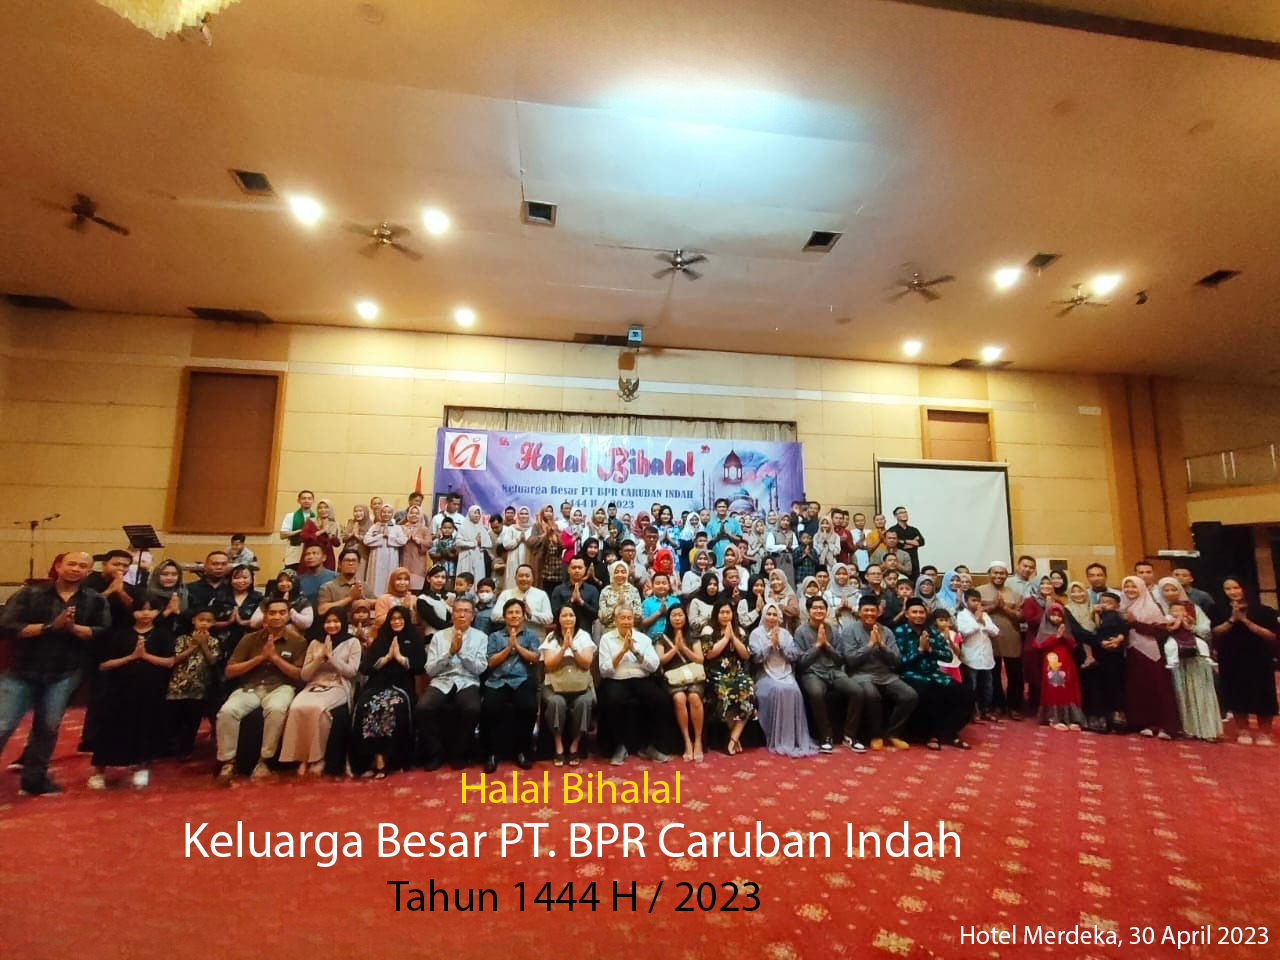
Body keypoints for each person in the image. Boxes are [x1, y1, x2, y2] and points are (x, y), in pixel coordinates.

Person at [0, 552, 110, 795]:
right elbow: (6, 627)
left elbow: (100, 631)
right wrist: (51, 627)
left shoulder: (95, 600)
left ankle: (34, 781)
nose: (76, 568)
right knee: (3, 725)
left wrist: (72, 627)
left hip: (64, 673)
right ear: (58, 566)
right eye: (72, 563)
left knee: (47, 729)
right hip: (21, 671)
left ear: (89, 571)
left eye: (83, 566)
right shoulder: (29, 594)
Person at [215, 598, 307, 783]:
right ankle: (228, 761)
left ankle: (264, 760)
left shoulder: (298, 641)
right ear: (265, 617)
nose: (277, 617)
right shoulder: (249, 639)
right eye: (272, 613)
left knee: (276, 710)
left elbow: (299, 675)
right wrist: (259, 658)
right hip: (250, 687)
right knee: (227, 712)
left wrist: (275, 658)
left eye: (282, 612)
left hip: (280, 687)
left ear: (288, 616)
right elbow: (230, 671)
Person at [87, 597, 176, 790]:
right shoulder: (119, 635)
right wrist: (132, 657)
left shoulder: (163, 635)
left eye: (151, 610)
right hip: (118, 690)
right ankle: (99, 771)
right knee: (109, 729)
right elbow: (104, 665)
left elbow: (169, 662)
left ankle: (141, 766)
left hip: (150, 689)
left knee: (145, 727)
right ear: (133, 612)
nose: (146, 614)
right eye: (141, 609)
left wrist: (145, 656)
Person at [278, 609, 362, 775]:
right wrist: (319, 658)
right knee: (296, 707)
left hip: (339, 685)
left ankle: (318, 758)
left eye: (336, 621)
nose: (332, 625)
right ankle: (301, 758)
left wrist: (331, 658)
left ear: (343, 622)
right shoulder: (315, 643)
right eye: (328, 622)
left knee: (318, 709)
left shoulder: (352, 642)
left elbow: (351, 672)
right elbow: (305, 675)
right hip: (314, 684)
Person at [352, 606, 424, 777]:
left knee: (389, 707)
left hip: (401, 687)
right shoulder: (381, 639)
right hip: (377, 685)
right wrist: (385, 659)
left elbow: (420, 666)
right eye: (393, 619)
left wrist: (400, 658)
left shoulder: (413, 639)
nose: (396, 622)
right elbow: (365, 667)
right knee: (367, 705)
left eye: (400, 618)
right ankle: (371, 757)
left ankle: (386, 758)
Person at [418, 597, 487, 770]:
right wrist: (449, 652)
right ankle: (436, 752)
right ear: (452, 614)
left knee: (472, 709)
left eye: (466, 611)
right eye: (458, 611)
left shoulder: (481, 637)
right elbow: (430, 669)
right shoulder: (439, 636)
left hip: (467, 680)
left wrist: (461, 652)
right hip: (441, 680)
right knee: (423, 708)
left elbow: (480, 669)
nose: (462, 615)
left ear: (472, 616)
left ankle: (458, 753)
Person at [895, 598, 974, 750]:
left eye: (921, 612)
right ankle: (930, 735)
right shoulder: (899, 632)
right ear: (907, 614)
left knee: (966, 693)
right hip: (910, 675)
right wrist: (919, 650)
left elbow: (948, 656)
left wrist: (930, 650)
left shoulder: (932, 631)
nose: (918, 615)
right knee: (930, 693)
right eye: (914, 612)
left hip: (934, 674)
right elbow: (899, 661)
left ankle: (949, 733)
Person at [596, 605, 669, 766]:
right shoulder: (606, 639)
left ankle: (649, 745)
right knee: (612, 700)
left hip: (640, 678)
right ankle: (619, 746)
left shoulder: (643, 639)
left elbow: (654, 666)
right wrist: (622, 651)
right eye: (622, 618)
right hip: (616, 678)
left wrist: (635, 651)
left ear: (633, 620)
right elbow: (604, 670)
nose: (626, 621)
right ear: (616, 621)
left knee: (660, 699)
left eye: (629, 618)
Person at [794, 595, 868, 753]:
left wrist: (827, 646)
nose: (818, 611)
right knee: (816, 693)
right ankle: (826, 736)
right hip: (812, 672)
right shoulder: (800, 631)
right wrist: (817, 647)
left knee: (857, 691)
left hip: (833, 671)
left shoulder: (832, 630)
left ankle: (849, 735)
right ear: (808, 611)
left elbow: (840, 659)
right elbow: (800, 663)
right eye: (815, 608)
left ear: (826, 611)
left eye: (822, 608)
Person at [844, 595, 917, 749]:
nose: (870, 614)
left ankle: (892, 733)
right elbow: (850, 660)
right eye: (866, 610)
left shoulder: (887, 632)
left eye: (873, 610)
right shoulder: (850, 630)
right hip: (861, 675)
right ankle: (875, 735)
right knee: (872, 695)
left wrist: (882, 646)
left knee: (909, 695)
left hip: (887, 675)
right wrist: (870, 645)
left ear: (878, 612)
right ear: (859, 612)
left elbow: (897, 660)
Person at [1211, 577, 1278, 746]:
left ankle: (1264, 732)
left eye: (1236, 588)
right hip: (1231, 657)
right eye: (1228, 589)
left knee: (1263, 693)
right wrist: (1232, 619)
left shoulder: (1264, 610)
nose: (1232, 592)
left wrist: (1246, 621)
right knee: (1236, 692)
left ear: (1244, 588)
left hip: (1259, 657)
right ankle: (1243, 729)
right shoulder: (1217, 609)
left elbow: (1271, 636)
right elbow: (1215, 633)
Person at [749, 602, 817, 757]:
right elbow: (756, 659)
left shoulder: (785, 634)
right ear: (764, 615)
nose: (771, 617)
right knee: (778, 690)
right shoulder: (756, 634)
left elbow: (794, 656)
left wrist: (780, 645)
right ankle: (776, 738)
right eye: (769, 614)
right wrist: (770, 645)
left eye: (774, 614)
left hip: (785, 672)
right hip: (764, 674)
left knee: (794, 691)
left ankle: (794, 739)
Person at [481, 599, 541, 772]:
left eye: (517, 612)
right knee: (489, 707)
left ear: (523, 616)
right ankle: (491, 754)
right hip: (498, 680)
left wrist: (517, 646)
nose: (514, 615)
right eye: (510, 612)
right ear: (504, 616)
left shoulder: (530, 636)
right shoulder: (495, 636)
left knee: (529, 707)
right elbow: (491, 662)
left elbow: (534, 658)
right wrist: (508, 648)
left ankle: (522, 751)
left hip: (522, 679)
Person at [1118, 576, 1180, 740]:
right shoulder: (1121, 607)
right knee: (1138, 689)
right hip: (1131, 653)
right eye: (1126, 586)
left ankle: (1163, 725)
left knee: (1157, 689)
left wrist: (1135, 622)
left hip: (1152, 654)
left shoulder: (1152, 606)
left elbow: (1160, 631)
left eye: (1133, 586)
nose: (1130, 590)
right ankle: (1143, 723)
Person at [540, 604, 597, 766]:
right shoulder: (551, 637)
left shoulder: (583, 636)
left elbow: (586, 663)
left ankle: (575, 745)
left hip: (580, 685)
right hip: (554, 686)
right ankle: (558, 744)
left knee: (584, 702)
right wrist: (563, 648)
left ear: (576, 618)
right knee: (556, 702)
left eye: (571, 615)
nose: (568, 619)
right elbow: (548, 665)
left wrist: (572, 647)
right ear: (558, 619)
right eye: (564, 615)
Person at [701, 599, 755, 756]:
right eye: (722, 612)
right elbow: (708, 654)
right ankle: (734, 740)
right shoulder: (708, 630)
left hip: (737, 673)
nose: (725, 615)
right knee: (726, 693)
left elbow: (745, 655)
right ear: (716, 614)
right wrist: (725, 639)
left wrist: (733, 638)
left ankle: (732, 739)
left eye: (728, 612)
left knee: (749, 691)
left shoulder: (740, 631)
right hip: (716, 673)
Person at [1163, 599, 1222, 742]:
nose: (1178, 612)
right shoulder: (1168, 618)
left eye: (1181, 609)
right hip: (1179, 660)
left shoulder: (1192, 616)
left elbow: (1197, 629)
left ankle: (1207, 729)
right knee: (1182, 693)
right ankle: (1188, 728)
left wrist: (1186, 621)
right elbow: (1169, 629)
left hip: (1196, 659)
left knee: (1201, 691)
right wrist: (1177, 620)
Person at [165, 608, 221, 758]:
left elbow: (213, 660)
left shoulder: (214, 641)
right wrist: (194, 645)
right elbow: (175, 659)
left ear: (213, 623)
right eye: (201, 620)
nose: (204, 623)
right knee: (175, 718)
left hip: (199, 688)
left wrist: (203, 645)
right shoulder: (182, 639)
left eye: (208, 621)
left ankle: (186, 749)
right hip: (177, 686)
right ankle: (172, 747)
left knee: (192, 720)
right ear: (193, 620)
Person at [654, 604, 705, 762]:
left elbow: (700, 659)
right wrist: (675, 648)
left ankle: (698, 740)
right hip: (674, 678)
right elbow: (660, 661)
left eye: (680, 615)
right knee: (679, 698)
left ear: (685, 616)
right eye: (674, 615)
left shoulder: (693, 635)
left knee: (694, 698)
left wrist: (684, 648)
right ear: (668, 618)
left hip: (694, 676)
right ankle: (687, 741)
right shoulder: (661, 637)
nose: (677, 618)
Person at [977, 562, 1024, 718]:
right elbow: (974, 613)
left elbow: (1021, 617)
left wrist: (1004, 608)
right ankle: (997, 705)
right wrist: (993, 606)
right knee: (993, 674)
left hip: (1011, 637)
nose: (998, 576)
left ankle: (1014, 706)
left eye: (1002, 573)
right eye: (995, 573)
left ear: (1006, 575)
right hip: (988, 638)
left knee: (1015, 674)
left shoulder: (1014, 593)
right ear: (989, 574)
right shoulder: (979, 591)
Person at [1030, 603, 1085, 730]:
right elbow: (1039, 645)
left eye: (1059, 615)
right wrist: (1056, 637)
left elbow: (1073, 645)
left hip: (1067, 663)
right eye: (1053, 615)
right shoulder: (1044, 630)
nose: (1056, 618)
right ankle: (1053, 718)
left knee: (1069, 689)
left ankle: (1071, 718)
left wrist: (1064, 636)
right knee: (1054, 688)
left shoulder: (1066, 629)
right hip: (1052, 663)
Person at [1086, 591, 1129, 733]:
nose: (1105, 605)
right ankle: (1102, 718)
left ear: (1117, 605)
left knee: (1115, 684)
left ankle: (1117, 717)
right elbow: (1095, 632)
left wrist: (1119, 639)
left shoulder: (1117, 616)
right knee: (1100, 685)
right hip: (1100, 654)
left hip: (1115, 655)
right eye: (1103, 602)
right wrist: (1101, 641)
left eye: (1109, 603)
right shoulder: (1098, 616)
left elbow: (1124, 630)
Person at [955, 588, 999, 721]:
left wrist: (983, 621)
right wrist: (977, 622)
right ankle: (973, 712)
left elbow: (996, 632)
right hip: (970, 657)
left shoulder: (984, 615)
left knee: (987, 686)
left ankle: (986, 710)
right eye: (973, 600)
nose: (977, 603)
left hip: (986, 656)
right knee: (972, 687)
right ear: (966, 601)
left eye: (979, 601)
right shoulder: (962, 615)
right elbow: (964, 632)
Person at [249, 569, 314, 633]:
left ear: (295, 582)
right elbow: (253, 623)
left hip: (293, 637)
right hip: (268, 634)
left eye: (288, 580)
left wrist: (288, 607)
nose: (283, 583)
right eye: (280, 581)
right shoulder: (268, 600)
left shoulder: (302, 601)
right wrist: (270, 614)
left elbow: (306, 624)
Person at [363, 503, 407, 595]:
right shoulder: (374, 526)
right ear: (380, 513)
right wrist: (380, 536)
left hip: (391, 557)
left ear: (392, 514)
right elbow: (366, 540)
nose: (386, 514)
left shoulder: (397, 528)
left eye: (389, 512)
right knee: (375, 578)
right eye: (384, 512)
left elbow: (403, 541)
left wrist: (389, 537)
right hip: (376, 557)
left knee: (389, 576)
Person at [494, 563, 554, 629]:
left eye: (527, 576)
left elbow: (549, 618)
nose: (524, 579)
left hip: (535, 634)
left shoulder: (541, 594)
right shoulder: (505, 594)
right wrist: (515, 614)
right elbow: (494, 616)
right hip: (511, 633)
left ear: (533, 578)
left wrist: (530, 614)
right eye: (521, 576)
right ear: (515, 578)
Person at [550, 557, 600, 633]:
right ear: (568, 569)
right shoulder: (559, 590)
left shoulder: (592, 590)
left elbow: (595, 615)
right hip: (562, 633)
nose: (577, 570)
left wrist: (581, 602)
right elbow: (555, 614)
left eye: (580, 568)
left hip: (585, 633)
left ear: (585, 569)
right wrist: (571, 601)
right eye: (573, 568)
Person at [317, 549, 366, 617]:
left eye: (354, 561)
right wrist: (350, 598)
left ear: (358, 565)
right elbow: (321, 610)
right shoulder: (327, 587)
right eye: (347, 560)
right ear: (339, 564)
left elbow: (377, 602)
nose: (351, 563)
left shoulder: (363, 585)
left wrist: (363, 601)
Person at [498, 506, 534, 591]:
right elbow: (506, 545)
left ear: (529, 515)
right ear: (518, 515)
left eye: (526, 514)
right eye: (521, 514)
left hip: (528, 558)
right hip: (513, 560)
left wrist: (526, 540)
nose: (524, 516)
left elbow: (535, 544)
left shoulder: (532, 529)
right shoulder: (511, 528)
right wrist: (518, 540)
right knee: (512, 583)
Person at [279, 490, 317, 569]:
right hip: (294, 555)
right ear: (298, 501)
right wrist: (300, 531)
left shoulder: (316, 518)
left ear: (313, 501)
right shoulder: (291, 516)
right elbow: (282, 535)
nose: (306, 501)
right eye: (304, 498)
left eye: (309, 498)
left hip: (311, 555)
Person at [300, 499, 342, 570]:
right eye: (320, 508)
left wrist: (331, 537)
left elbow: (337, 544)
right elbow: (303, 537)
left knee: (327, 575)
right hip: (311, 555)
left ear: (330, 509)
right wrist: (320, 532)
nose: (323, 510)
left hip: (327, 556)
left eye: (326, 507)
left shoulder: (334, 524)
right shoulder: (311, 521)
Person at [456, 505, 491, 586]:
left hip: (478, 558)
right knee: (465, 580)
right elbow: (458, 542)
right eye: (475, 513)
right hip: (466, 557)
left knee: (478, 580)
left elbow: (489, 543)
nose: (477, 515)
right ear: (470, 513)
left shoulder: (482, 528)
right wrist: (474, 543)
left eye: (479, 513)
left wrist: (481, 543)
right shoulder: (463, 527)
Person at [399, 505, 433, 589]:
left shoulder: (424, 529)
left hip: (418, 561)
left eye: (417, 513)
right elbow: (396, 541)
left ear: (420, 515)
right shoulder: (401, 528)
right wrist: (405, 538)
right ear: (408, 514)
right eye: (411, 513)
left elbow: (429, 543)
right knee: (402, 584)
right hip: (403, 560)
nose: (414, 515)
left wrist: (419, 541)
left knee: (416, 587)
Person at [705, 497, 745, 567]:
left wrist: (728, 534)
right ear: (716, 509)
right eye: (719, 507)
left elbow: (739, 539)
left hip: (732, 556)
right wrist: (718, 536)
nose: (722, 509)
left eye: (724, 507)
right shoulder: (710, 523)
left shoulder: (734, 522)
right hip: (716, 557)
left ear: (727, 508)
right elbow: (707, 542)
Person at [641, 572, 679, 637]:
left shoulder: (675, 601)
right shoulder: (646, 602)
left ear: (669, 586)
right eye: (657, 583)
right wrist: (659, 613)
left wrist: (668, 613)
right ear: (652, 586)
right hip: (652, 638)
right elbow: (642, 624)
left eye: (664, 583)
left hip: (672, 638)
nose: (661, 586)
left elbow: (681, 621)